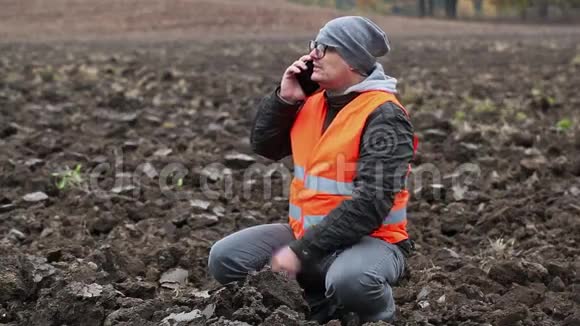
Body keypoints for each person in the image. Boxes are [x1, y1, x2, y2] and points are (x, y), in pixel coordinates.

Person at [208, 16, 417, 324]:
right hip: (307, 235)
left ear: (352, 58)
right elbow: (266, 146)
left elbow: (371, 203)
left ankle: (377, 318)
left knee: (352, 281)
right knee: (226, 258)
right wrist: (284, 99)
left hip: (373, 240)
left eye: (324, 47)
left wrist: (300, 251)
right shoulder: (311, 101)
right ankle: (318, 311)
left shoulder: (384, 115)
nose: (312, 55)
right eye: (313, 46)